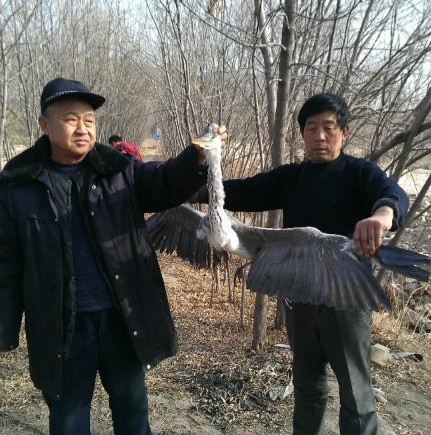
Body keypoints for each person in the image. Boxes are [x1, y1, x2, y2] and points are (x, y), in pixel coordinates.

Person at [0, 77, 226, 435]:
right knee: (69, 421)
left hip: (121, 319)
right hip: (62, 328)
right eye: (71, 118)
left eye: (89, 121)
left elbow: (164, 181)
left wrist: (196, 155)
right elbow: (7, 263)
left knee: (133, 416)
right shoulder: (18, 184)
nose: (82, 128)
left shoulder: (118, 170)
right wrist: (5, 329)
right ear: (45, 124)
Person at [195, 93, 408, 434]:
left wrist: (381, 217)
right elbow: (240, 191)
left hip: (346, 302)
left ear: (345, 131)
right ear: (303, 134)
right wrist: (184, 184)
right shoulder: (291, 178)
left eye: (329, 127)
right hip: (299, 300)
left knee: (356, 394)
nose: (320, 136)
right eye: (311, 128)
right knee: (308, 388)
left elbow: (393, 195)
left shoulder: (359, 173)